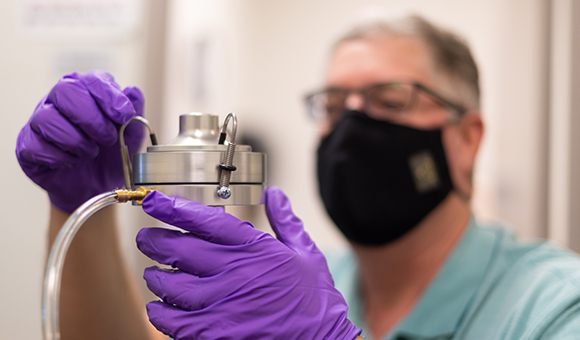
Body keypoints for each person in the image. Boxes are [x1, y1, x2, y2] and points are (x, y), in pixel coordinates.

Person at [15, 14, 580, 340]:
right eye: (333, 105)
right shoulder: (292, 290)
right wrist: (79, 212)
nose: (352, 128)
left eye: (389, 100)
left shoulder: (553, 306)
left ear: (466, 137)